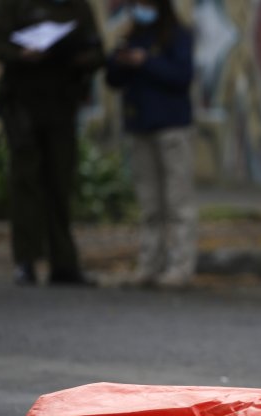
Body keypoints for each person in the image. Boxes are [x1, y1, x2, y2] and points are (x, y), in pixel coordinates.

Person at [0, 0, 105, 286]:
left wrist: (79, 57)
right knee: (26, 182)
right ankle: (26, 261)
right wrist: (21, 54)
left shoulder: (76, 6)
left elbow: (97, 51)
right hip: (23, 102)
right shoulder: (13, 5)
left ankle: (63, 263)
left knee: (60, 183)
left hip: (61, 102)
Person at [105, 0, 197, 288]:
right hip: (139, 126)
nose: (140, 8)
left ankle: (180, 267)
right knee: (149, 204)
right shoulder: (131, 35)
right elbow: (112, 79)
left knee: (177, 202)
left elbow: (182, 76)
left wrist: (146, 62)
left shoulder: (178, 36)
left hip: (171, 127)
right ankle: (149, 264)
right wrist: (119, 60)